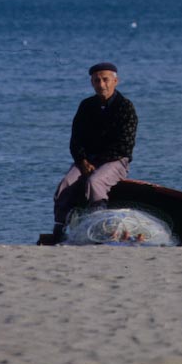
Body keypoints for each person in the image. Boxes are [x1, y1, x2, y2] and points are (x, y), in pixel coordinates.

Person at [51, 62, 138, 242]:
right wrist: (82, 160)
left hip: (116, 161)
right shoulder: (86, 106)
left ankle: (101, 227)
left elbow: (125, 145)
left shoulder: (126, 107)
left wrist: (98, 161)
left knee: (95, 181)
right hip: (87, 161)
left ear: (116, 81)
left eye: (105, 80)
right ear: (92, 83)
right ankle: (59, 229)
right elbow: (76, 139)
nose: (101, 84)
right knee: (65, 184)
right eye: (96, 80)